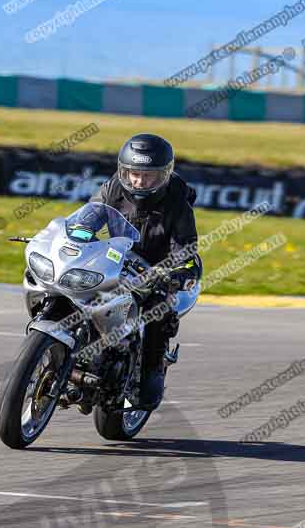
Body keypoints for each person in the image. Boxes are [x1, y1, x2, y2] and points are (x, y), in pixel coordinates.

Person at [90, 134, 201, 409]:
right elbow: (87, 219)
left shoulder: (176, 200)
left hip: (158, 266)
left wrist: (178, 272)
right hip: (118, 258)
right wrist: (74, 238)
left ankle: (151, 371)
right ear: (123, 171)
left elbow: (186, 248)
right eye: (134, 174)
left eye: (148, 176)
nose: (139, 182)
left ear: (163, 176)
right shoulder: (113, 188)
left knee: (157, 312)